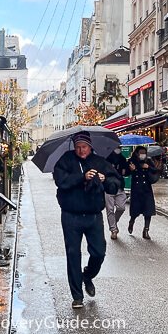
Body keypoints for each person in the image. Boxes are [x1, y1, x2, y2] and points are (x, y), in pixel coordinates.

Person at [52, 131, 121, 309]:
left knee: (99, 253)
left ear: (90, 146)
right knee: (73, 254)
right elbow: (61, 181)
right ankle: (77, 296)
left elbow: (115, 182)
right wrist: (82, 177)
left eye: (84, 147)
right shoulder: (66, 160)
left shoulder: (99, 162)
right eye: (78, 147)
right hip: (71, 215)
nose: (81, 150)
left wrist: (105, 180)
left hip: (93, 216)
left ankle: (88, 275)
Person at [127, 146, 159, 240]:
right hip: (136, 189)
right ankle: (131, 222)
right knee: (135, 211)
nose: (142, 155)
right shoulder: (132, 161)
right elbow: (125, 172)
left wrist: (148, 167)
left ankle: (146, 230)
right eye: (141, 153)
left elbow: (155, 171)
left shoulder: (148, 161)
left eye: (144, 153)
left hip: (146, 189)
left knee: (148, 211)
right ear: (137, 153)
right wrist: (131, 170)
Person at [103, 143, 129, 240]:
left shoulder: (122, 159)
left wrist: (127, 170)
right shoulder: (106, 159)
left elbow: (126, 172)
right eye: (117, 147)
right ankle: (113, 230)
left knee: (121, 207)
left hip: (119, 186)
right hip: (109, 187)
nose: (118, 149)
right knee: (109, 210)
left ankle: (114, 222)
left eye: (120, 148)